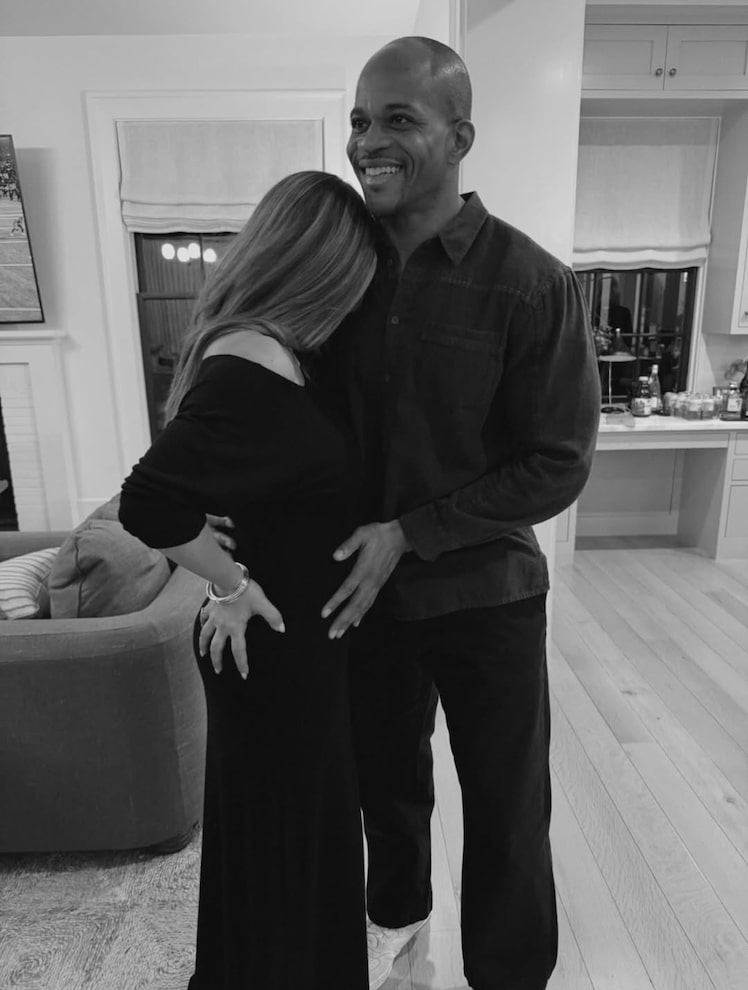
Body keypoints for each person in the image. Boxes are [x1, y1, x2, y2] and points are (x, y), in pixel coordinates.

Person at [315, 37, 600, 990]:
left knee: (508, 807)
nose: (369, 141)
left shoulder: (533, 282)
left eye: (399, 119)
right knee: (384, 793)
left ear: (460, 136)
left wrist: (410, 533)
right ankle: (400, 952)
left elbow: (558, 463)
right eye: (360, 120)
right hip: (361, 600)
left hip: (487, 596)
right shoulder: (336, 275)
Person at [118, 170, 378, 990]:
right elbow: (149, 501)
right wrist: (230, 584)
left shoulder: (276, 351)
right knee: (283, 850)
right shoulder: (250, 358)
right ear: (322, 270)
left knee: (289, 846)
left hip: (295, 647)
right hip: (274, 651)